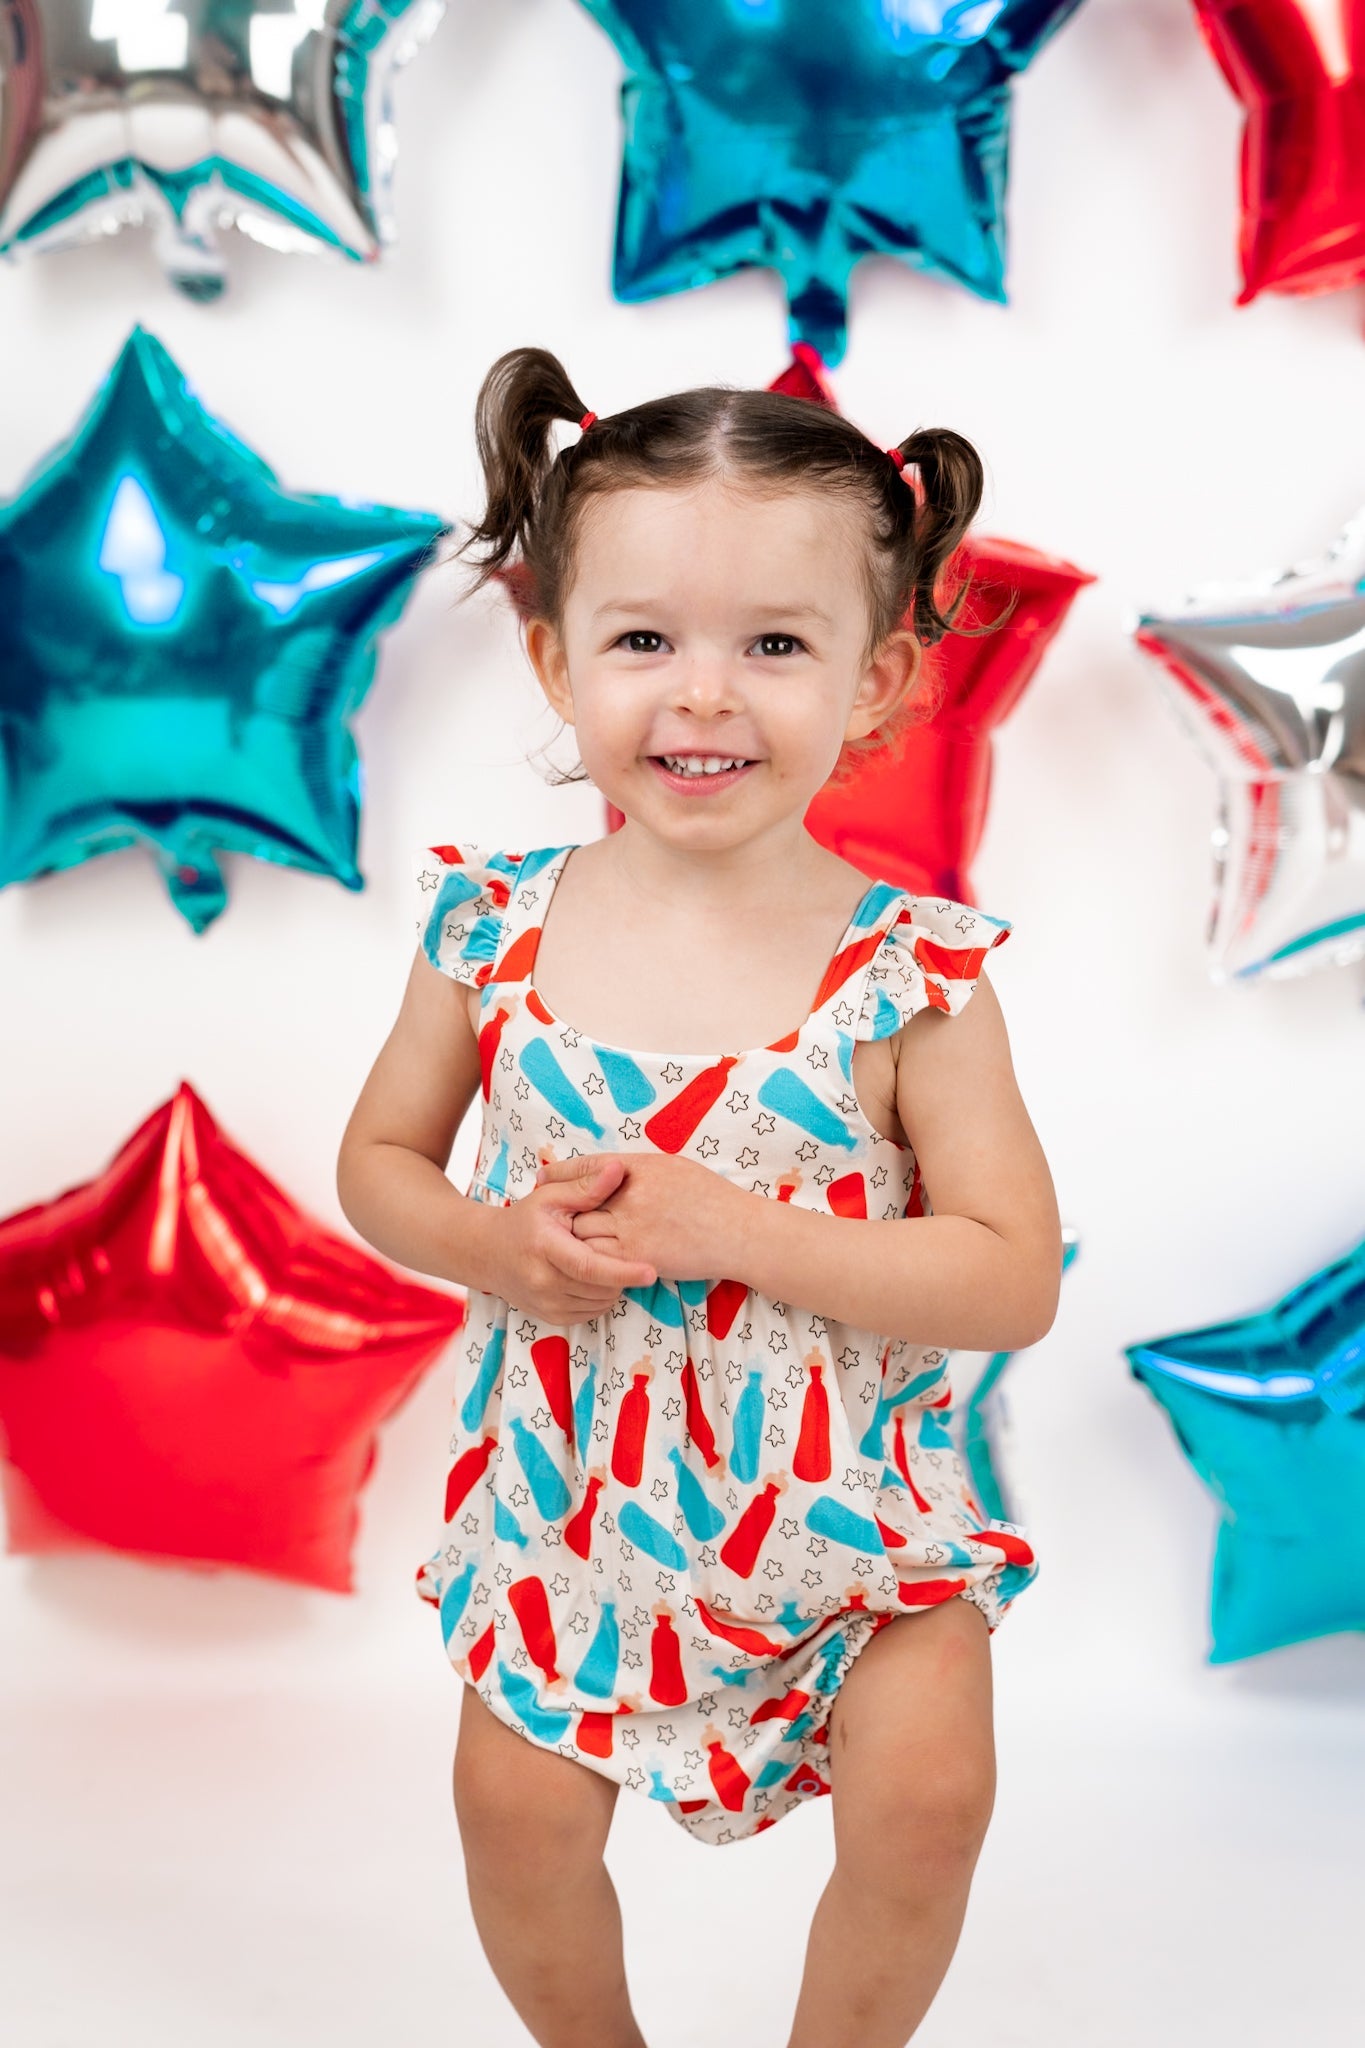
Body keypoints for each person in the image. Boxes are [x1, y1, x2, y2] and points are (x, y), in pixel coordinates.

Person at [336, 347, 1062, 2048]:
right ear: (553, 657)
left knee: (929, 1792)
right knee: (509, 1818)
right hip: (571, 1507)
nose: (704, 697)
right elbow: (379, 1166)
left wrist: (739, 1231)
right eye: (644, 639)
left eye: (777, 647)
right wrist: (495, 1243)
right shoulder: (487, 930)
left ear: (880, 682)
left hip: (847, 1516)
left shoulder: (909, 979)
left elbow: (1010, 1274)